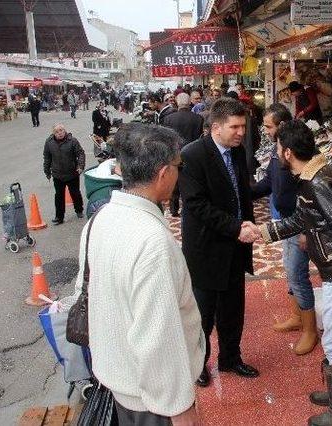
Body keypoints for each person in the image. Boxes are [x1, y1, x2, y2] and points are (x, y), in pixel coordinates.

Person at [78, 123, 205, 425]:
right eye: (178, 166)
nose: (179, 172)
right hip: (152, 401)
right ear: (164, 174)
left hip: (120, 379)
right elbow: (158, 338)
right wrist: (181, 409)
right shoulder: (152, 242)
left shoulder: (102, 217)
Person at [257, 120, 332, 426]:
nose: (276, 151)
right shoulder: (311, 179)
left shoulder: (318, 182)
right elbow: (301, 220)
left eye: (278, 146)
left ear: (288, 151)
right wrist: (263, 231)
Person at [180, 98, 260, 388]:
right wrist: (236, 226)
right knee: (202, 316)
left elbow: (241, 193)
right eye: (235, 127)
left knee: (233, 309)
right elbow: (196, 205)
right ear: (216, 127)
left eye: (243, 126)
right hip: (207, 249)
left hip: (235, 247)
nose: (241, 132)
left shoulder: (237, 152)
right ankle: (200, 364)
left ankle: (231, 358)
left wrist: (248, 224)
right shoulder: (192, 155)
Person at [251, 104, 316, 355]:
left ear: (281, 126)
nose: (265, 130)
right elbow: (269, 181)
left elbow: (308, 198)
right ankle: (296, 315)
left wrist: (305, 230)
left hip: (299, 225)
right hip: (286, 222)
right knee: (291, 271)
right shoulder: (279, 151)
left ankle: (309, 330)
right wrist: (246, 193)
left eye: (268, 126)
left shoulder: (300, 154)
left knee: (298, 275)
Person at [43, 124, 86, 224]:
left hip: (72, 173)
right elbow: (47, 157)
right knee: (59, 196)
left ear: (65, 130)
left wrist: (80, 166)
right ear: (53, 133)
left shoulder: (73, 141)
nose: (60, 133)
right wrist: (47, 171)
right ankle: (59, 217)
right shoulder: (49, 143)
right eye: (57, 131)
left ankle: (79, 210)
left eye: (61, 130)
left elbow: (80, 153)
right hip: (57, 174)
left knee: (75, 193)